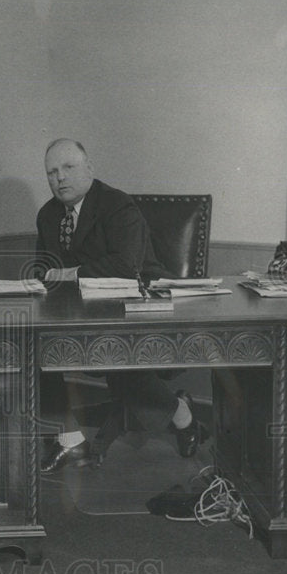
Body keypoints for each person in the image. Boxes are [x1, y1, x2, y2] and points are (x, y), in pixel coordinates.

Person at [35, 138, 209, 473]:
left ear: (89, 168)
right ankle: (70, 441)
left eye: (68, 168)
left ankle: (181, 414)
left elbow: (125, 267)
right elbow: (42, 270)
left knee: (116, 352)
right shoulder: (47, 215)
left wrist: (67, 273)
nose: (60, 178)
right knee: (38, 343)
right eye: (52, 172)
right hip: (81, 311)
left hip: (137, 307)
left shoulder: (117, 205)